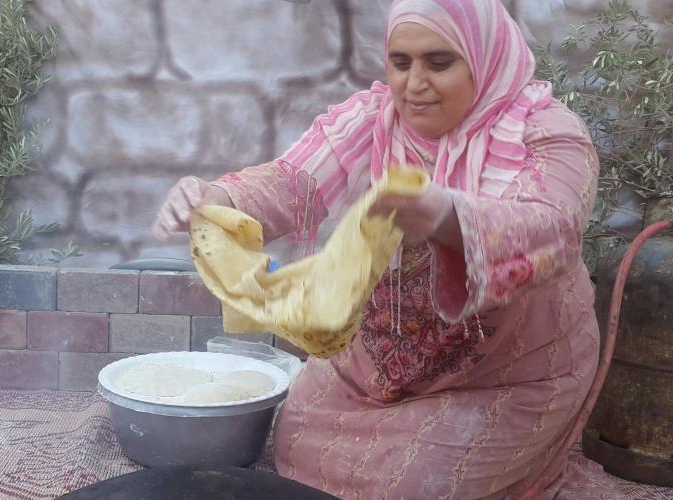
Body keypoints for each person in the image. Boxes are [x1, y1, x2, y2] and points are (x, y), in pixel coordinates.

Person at [152, 0, 599, 497]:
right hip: (374, 368)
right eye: (401, 62)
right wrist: (215, 199)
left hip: (502, 375)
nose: (413, 83)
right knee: (294, 444)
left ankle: (533, 467)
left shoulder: (546, 133)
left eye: (439, 62)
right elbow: (291, 182)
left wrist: (447, 215)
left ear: (485, 57)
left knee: (408, 483)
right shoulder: (374, 120)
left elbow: (553, 228)